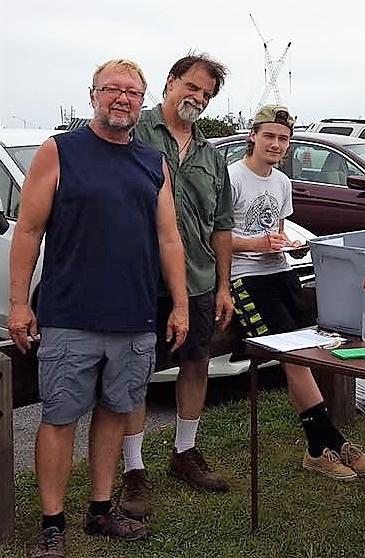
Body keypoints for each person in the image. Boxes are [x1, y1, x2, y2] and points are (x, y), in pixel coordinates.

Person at [8, 59, 188, 557]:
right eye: (112, 89)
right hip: (70, 315)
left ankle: (100, 509)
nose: (121, 98)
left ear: (142, 101)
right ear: (93, 95)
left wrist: (179, 304)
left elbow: (169, 238)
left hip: (134, 316)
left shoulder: (153, 162)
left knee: (115, 412)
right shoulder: (60, 151)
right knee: (60, 416)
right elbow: (28, 231)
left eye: (132, 92)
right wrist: (19, 304)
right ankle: (52, 522)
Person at [228, 104, 365, 480]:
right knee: (293, 357)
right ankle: (330, 443)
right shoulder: (232, 178)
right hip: (245, 278)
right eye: (269, 136)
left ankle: (319, 449)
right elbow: (216, 238)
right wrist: (256, 245)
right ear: (253, 136)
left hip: (281, 272)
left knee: (309, 353)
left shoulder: (281, 182)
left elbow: (277, 231)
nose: (276, 144)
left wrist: (290, 247)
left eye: (283, 138)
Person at [119, 53, 234, 518]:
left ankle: (185, 452)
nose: (198, 98)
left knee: (196, 364)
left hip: (199, 280)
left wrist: (224, 285)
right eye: (192, 86)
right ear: (170, 82)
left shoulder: (212, 156)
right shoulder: (135, 133)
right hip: (140, 280)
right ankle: (133, 468)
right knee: (133, 373)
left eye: (206, 94)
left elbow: (221, 225)